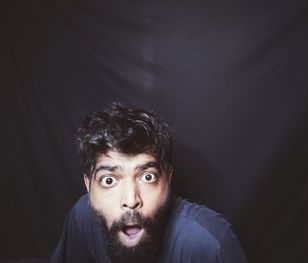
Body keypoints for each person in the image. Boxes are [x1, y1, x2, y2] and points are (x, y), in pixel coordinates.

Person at [51, 102, 248, 263]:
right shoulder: (82, 217)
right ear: (88, 186)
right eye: (109, 180)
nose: (130, 199)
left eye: (147, 177)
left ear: (168, 179)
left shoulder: (209, 244)